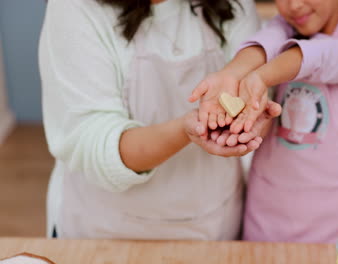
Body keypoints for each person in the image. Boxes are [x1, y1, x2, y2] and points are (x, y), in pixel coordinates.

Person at [39, 0, 280, 239]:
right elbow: (92, 140)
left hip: (215, 226)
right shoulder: (74, 7)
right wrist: (186, 130)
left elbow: (255, 87)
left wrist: (252, 116)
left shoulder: (234, 4)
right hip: (106, 232)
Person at [189, 0, 338, 242]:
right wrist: (231, 73)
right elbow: (265, 43)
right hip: (262, 225)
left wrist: (261, 76)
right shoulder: (280, 29)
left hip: (331, 229)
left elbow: (320, 55)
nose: (293, 5)